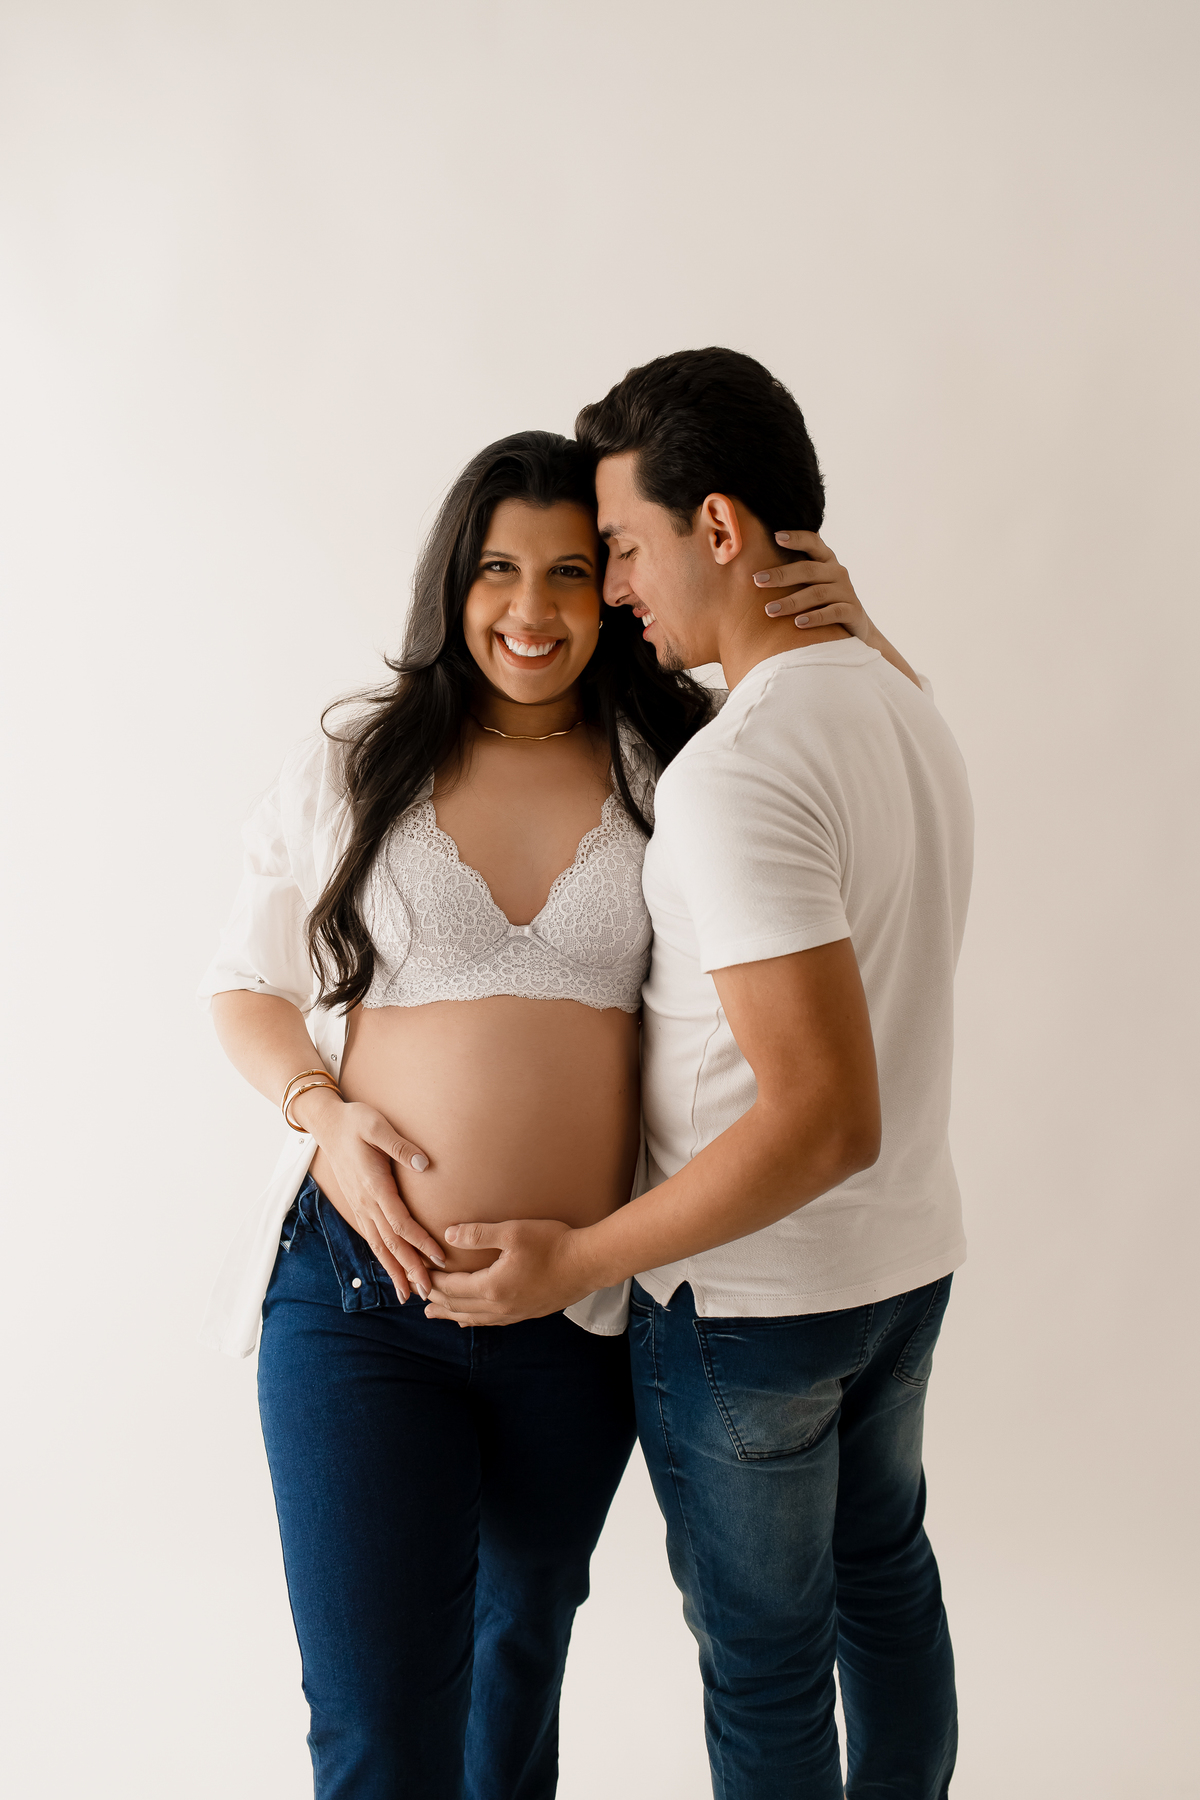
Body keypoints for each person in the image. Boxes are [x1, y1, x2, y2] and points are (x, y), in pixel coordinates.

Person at [199, 424, 916, 1800]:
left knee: (514, 1681)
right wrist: (321, 1114)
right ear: (453, 580)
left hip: (574, 1324)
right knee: (379, 1725)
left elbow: (850, 759)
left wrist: (859, 633)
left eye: (573, 572)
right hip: (361, 1300)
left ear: (615, 588)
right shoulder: (359, 756)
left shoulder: (676, 763)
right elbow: (244, 984)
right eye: (499, 570)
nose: (532, 609)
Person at [424, 350, 974, 1800]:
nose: (611, 590)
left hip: (755, 1306)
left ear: (717, 528)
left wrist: (579, 1260)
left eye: (619, 546)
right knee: (887, 1579)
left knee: (769, 1661)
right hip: (902, 1270)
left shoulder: (738, 773)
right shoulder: (903, 702)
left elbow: (825, 1118)